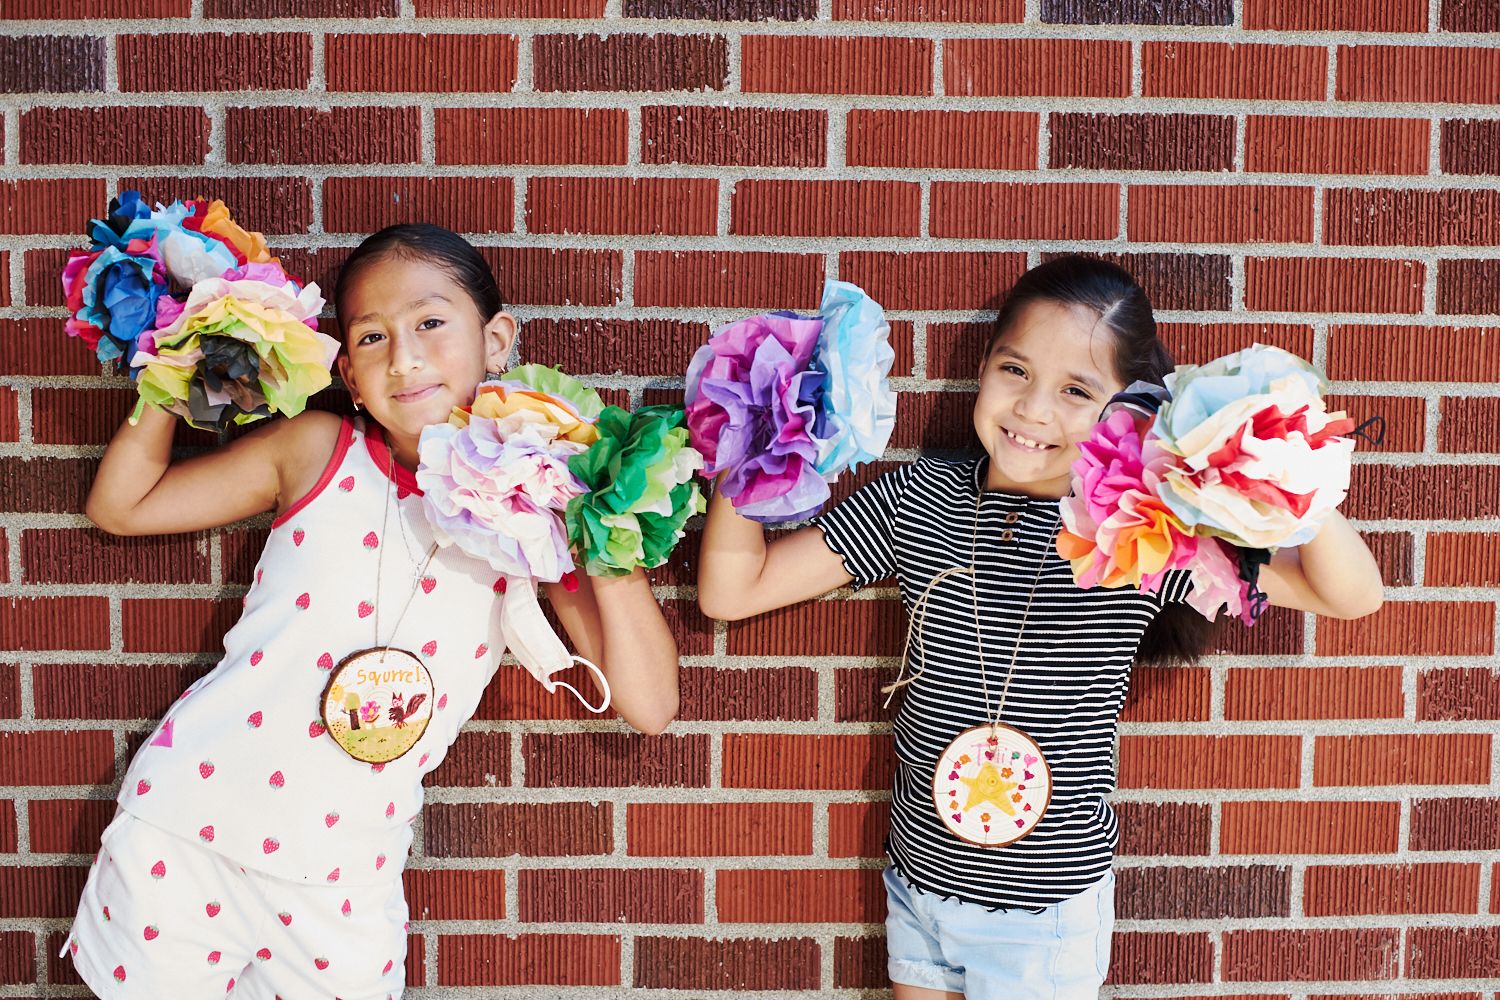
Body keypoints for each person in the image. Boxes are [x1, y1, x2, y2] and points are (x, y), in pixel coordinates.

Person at [696, 256, 1382, 1000]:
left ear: (1128, 407)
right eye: (1015, 370)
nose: (1031, 411)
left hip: (1042, 919)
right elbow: (734, 592)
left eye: (1076, 391)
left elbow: (1349, 596)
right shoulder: (917, 500)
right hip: (918, 885)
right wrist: (759, 441)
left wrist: (1281, 465)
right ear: (985, 366)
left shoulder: (1142, 535)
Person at [62, 223, 681, 998]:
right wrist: (175, 360)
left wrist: (599, 525)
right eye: (373, 337)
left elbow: (650, 704)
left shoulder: (534, 520)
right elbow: (122, 507)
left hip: (343, 879)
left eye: (430, 323)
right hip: (190, 834)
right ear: (349, 375)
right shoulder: (317, 451)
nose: (406, 356)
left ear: (496, 340)